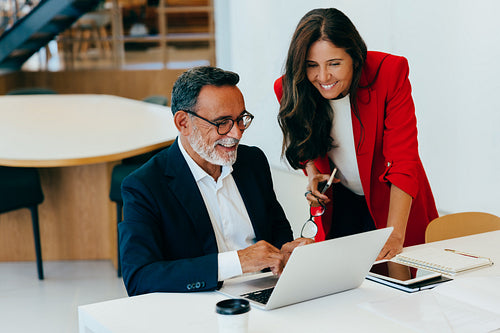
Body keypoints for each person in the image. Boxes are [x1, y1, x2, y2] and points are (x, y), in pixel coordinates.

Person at [119, 66, 311, 296]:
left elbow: (277, 229)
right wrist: (237, 262)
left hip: (267, 296)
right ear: (183, 123)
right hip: (201, 307)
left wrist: (286, 252)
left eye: (241, 119)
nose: (236, 134)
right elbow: (139, 278)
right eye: (222, 123)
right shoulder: (144, 185)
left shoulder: (252, 161)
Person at [274, 8, 438, 260]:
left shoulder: (389, 73)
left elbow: (404, 160)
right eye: (312, 66)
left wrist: (394, 234)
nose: (323, 76)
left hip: (393, 201)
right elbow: (302, 140)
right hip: (341, 203)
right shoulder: (292, 87)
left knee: (400, 285)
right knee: (343, 284)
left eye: (335, 63)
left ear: (355, 56)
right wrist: (312, 173)